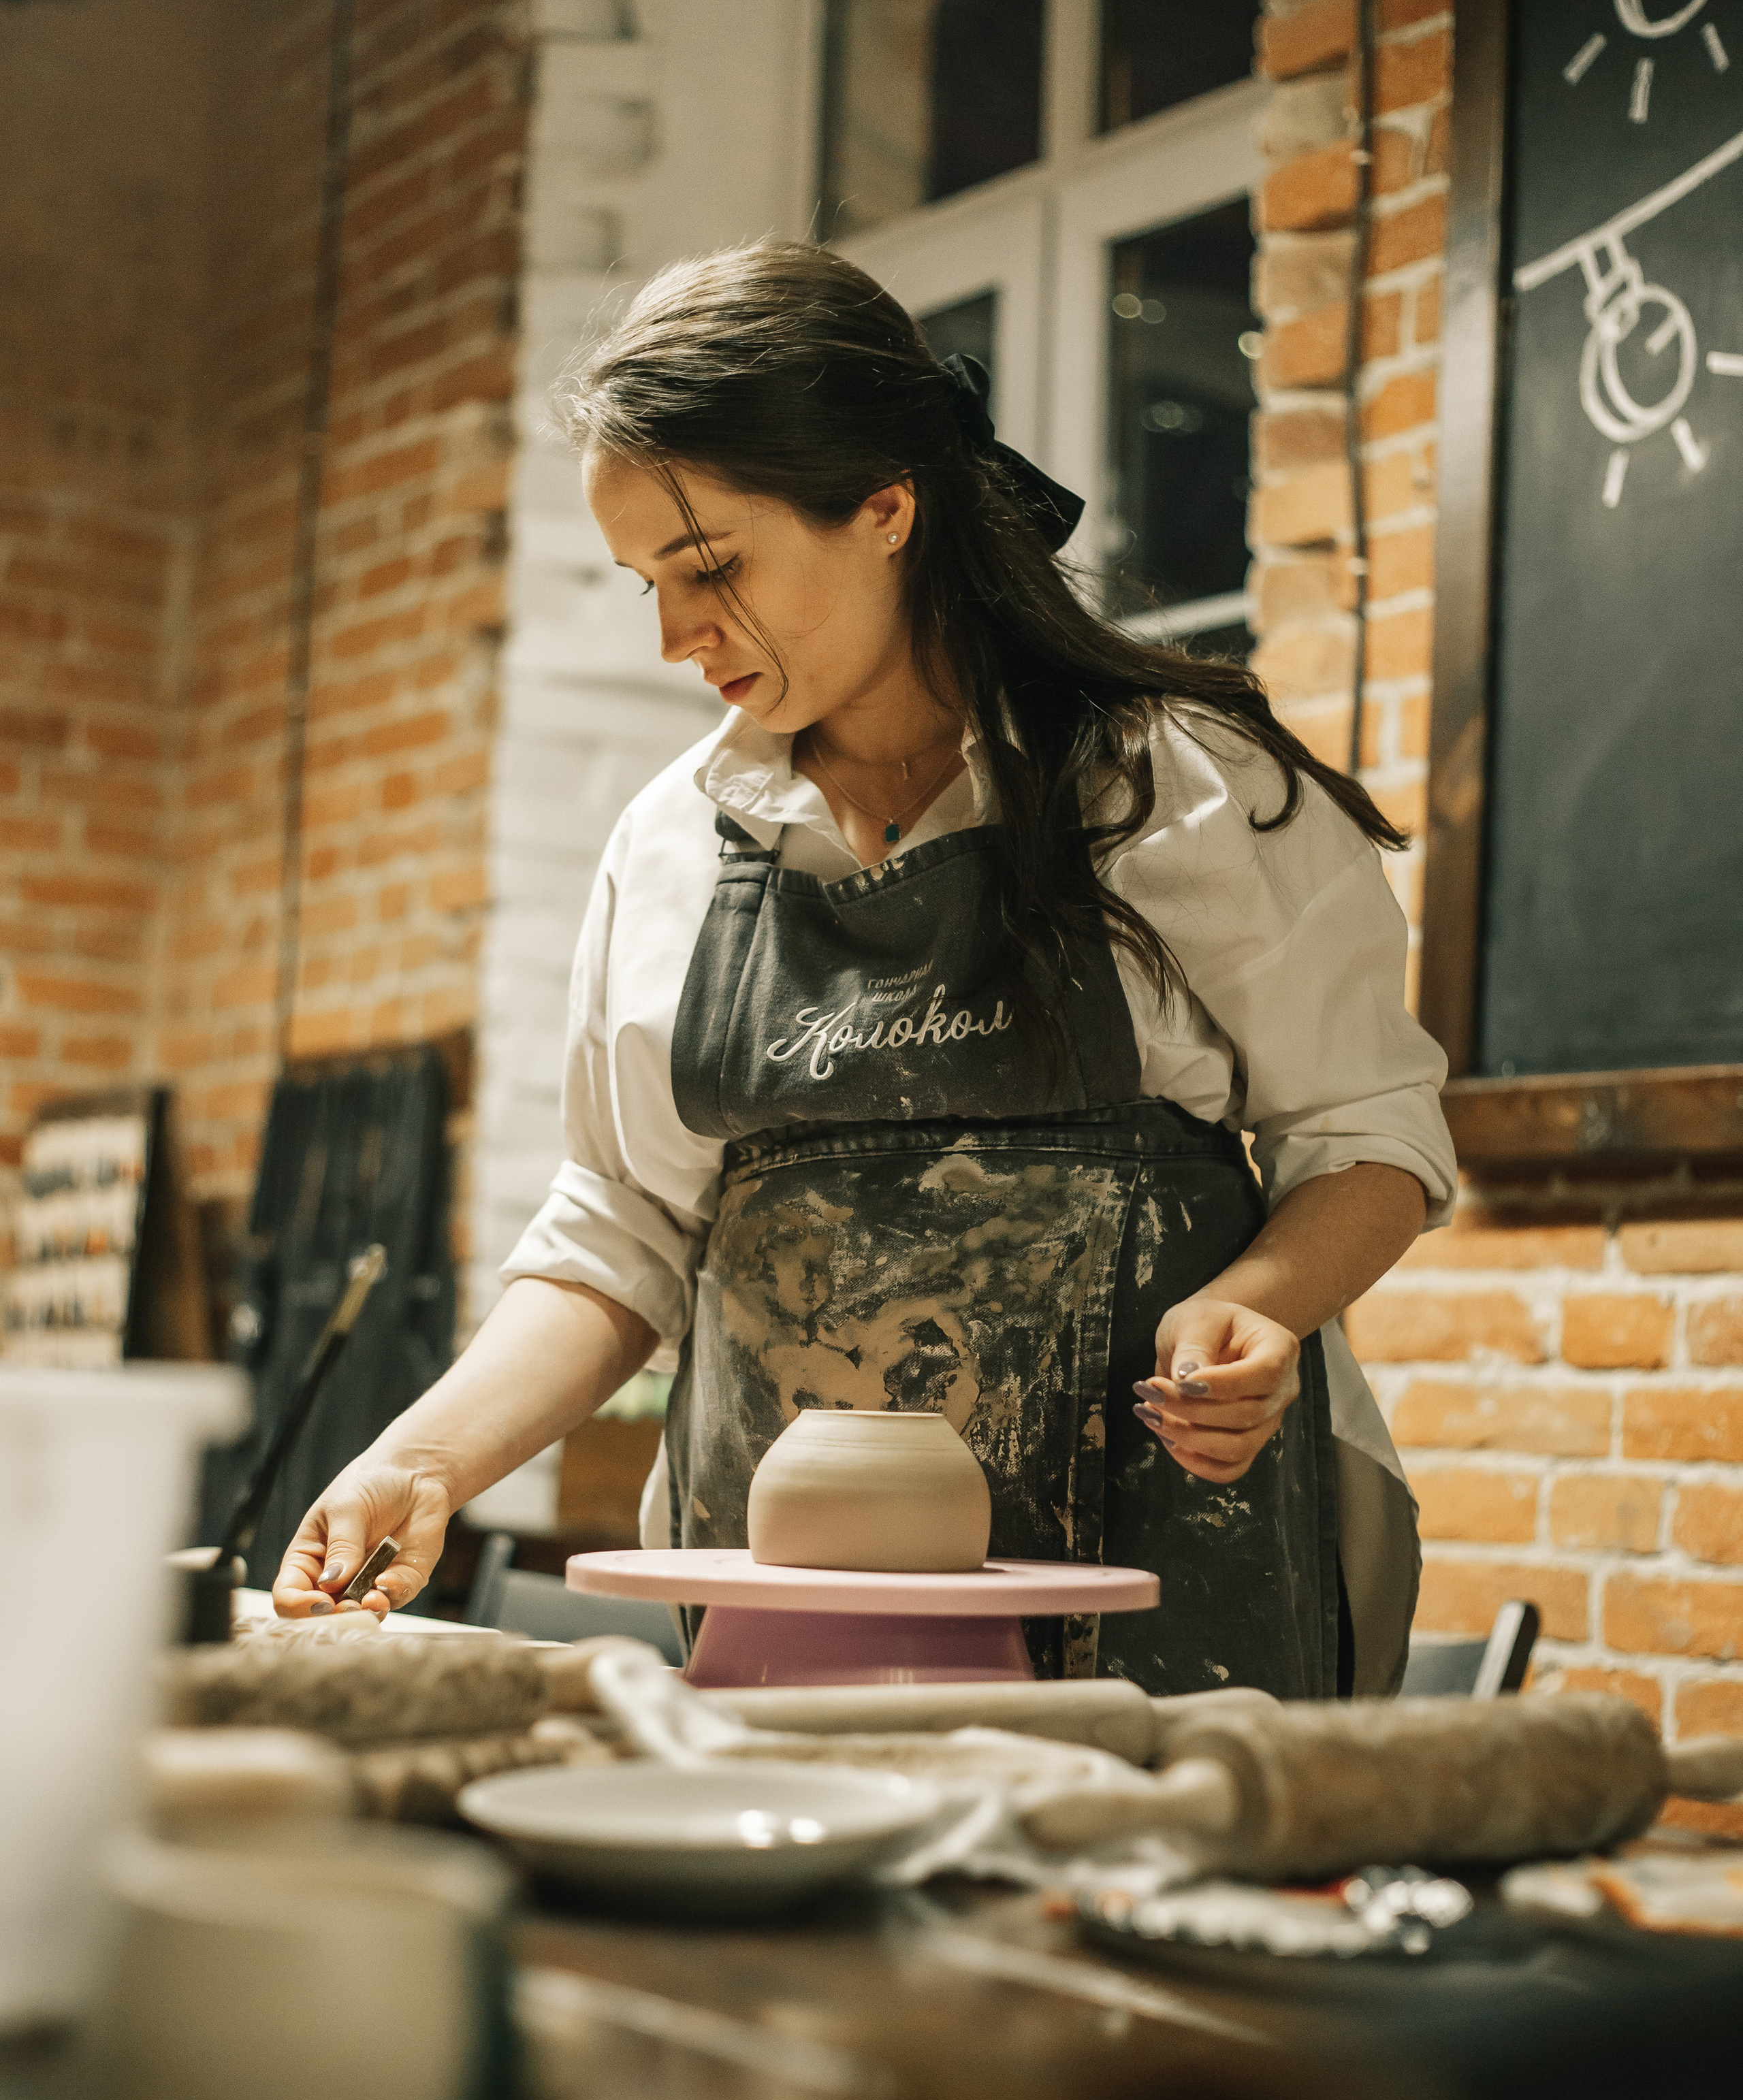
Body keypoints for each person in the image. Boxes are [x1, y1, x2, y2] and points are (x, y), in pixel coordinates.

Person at [274, 239, 1456, 1697]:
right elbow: (618, 1235)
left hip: (1161, 1578)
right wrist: (417, 1462)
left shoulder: (1172, 786)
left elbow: (1369, 1137)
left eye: (707, 568)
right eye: (644, 580)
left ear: (886, 507)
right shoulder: (670, 848)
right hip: (793, 1607)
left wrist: (1264, 1300)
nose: (671, 636)